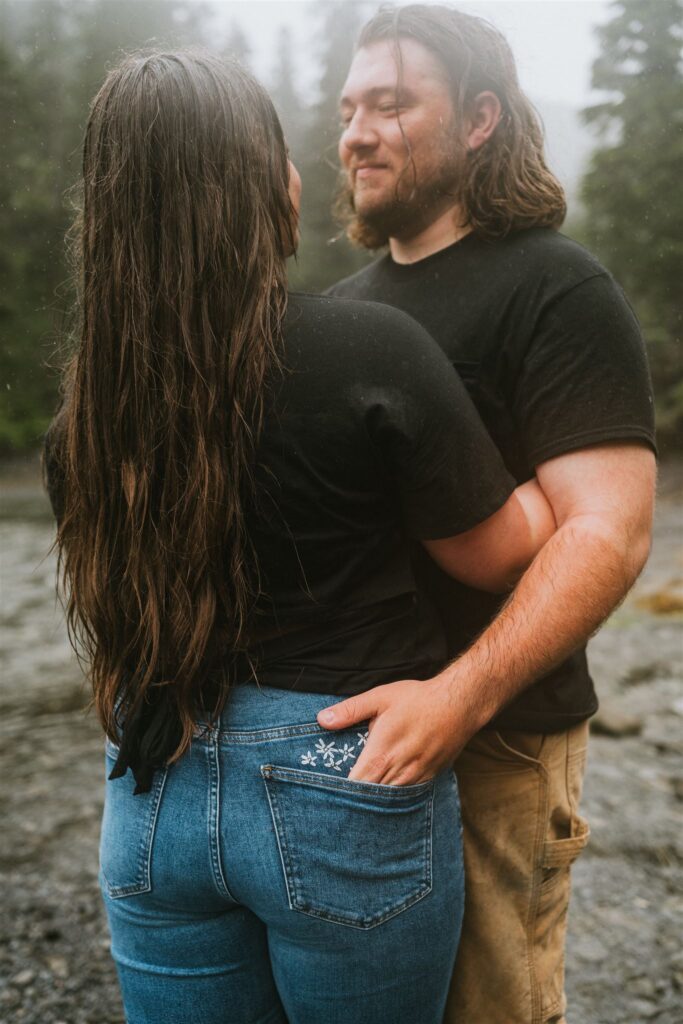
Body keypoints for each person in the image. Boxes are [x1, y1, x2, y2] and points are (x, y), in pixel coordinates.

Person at [44, 51, 558, 1024]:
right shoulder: (369, 349)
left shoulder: (89, 409)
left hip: (154, 789)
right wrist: (550, 469)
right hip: (341, 779)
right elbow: (493, 552)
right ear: (252, 181)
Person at [325, 6, 657, 1023]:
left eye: (391, 103)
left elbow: (607, 530)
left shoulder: (554, 288)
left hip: (498, 740)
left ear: (476, 120)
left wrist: (458, 697)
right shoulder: (337, 310)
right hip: (340, 743)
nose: (356, 132)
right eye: (347, 108)